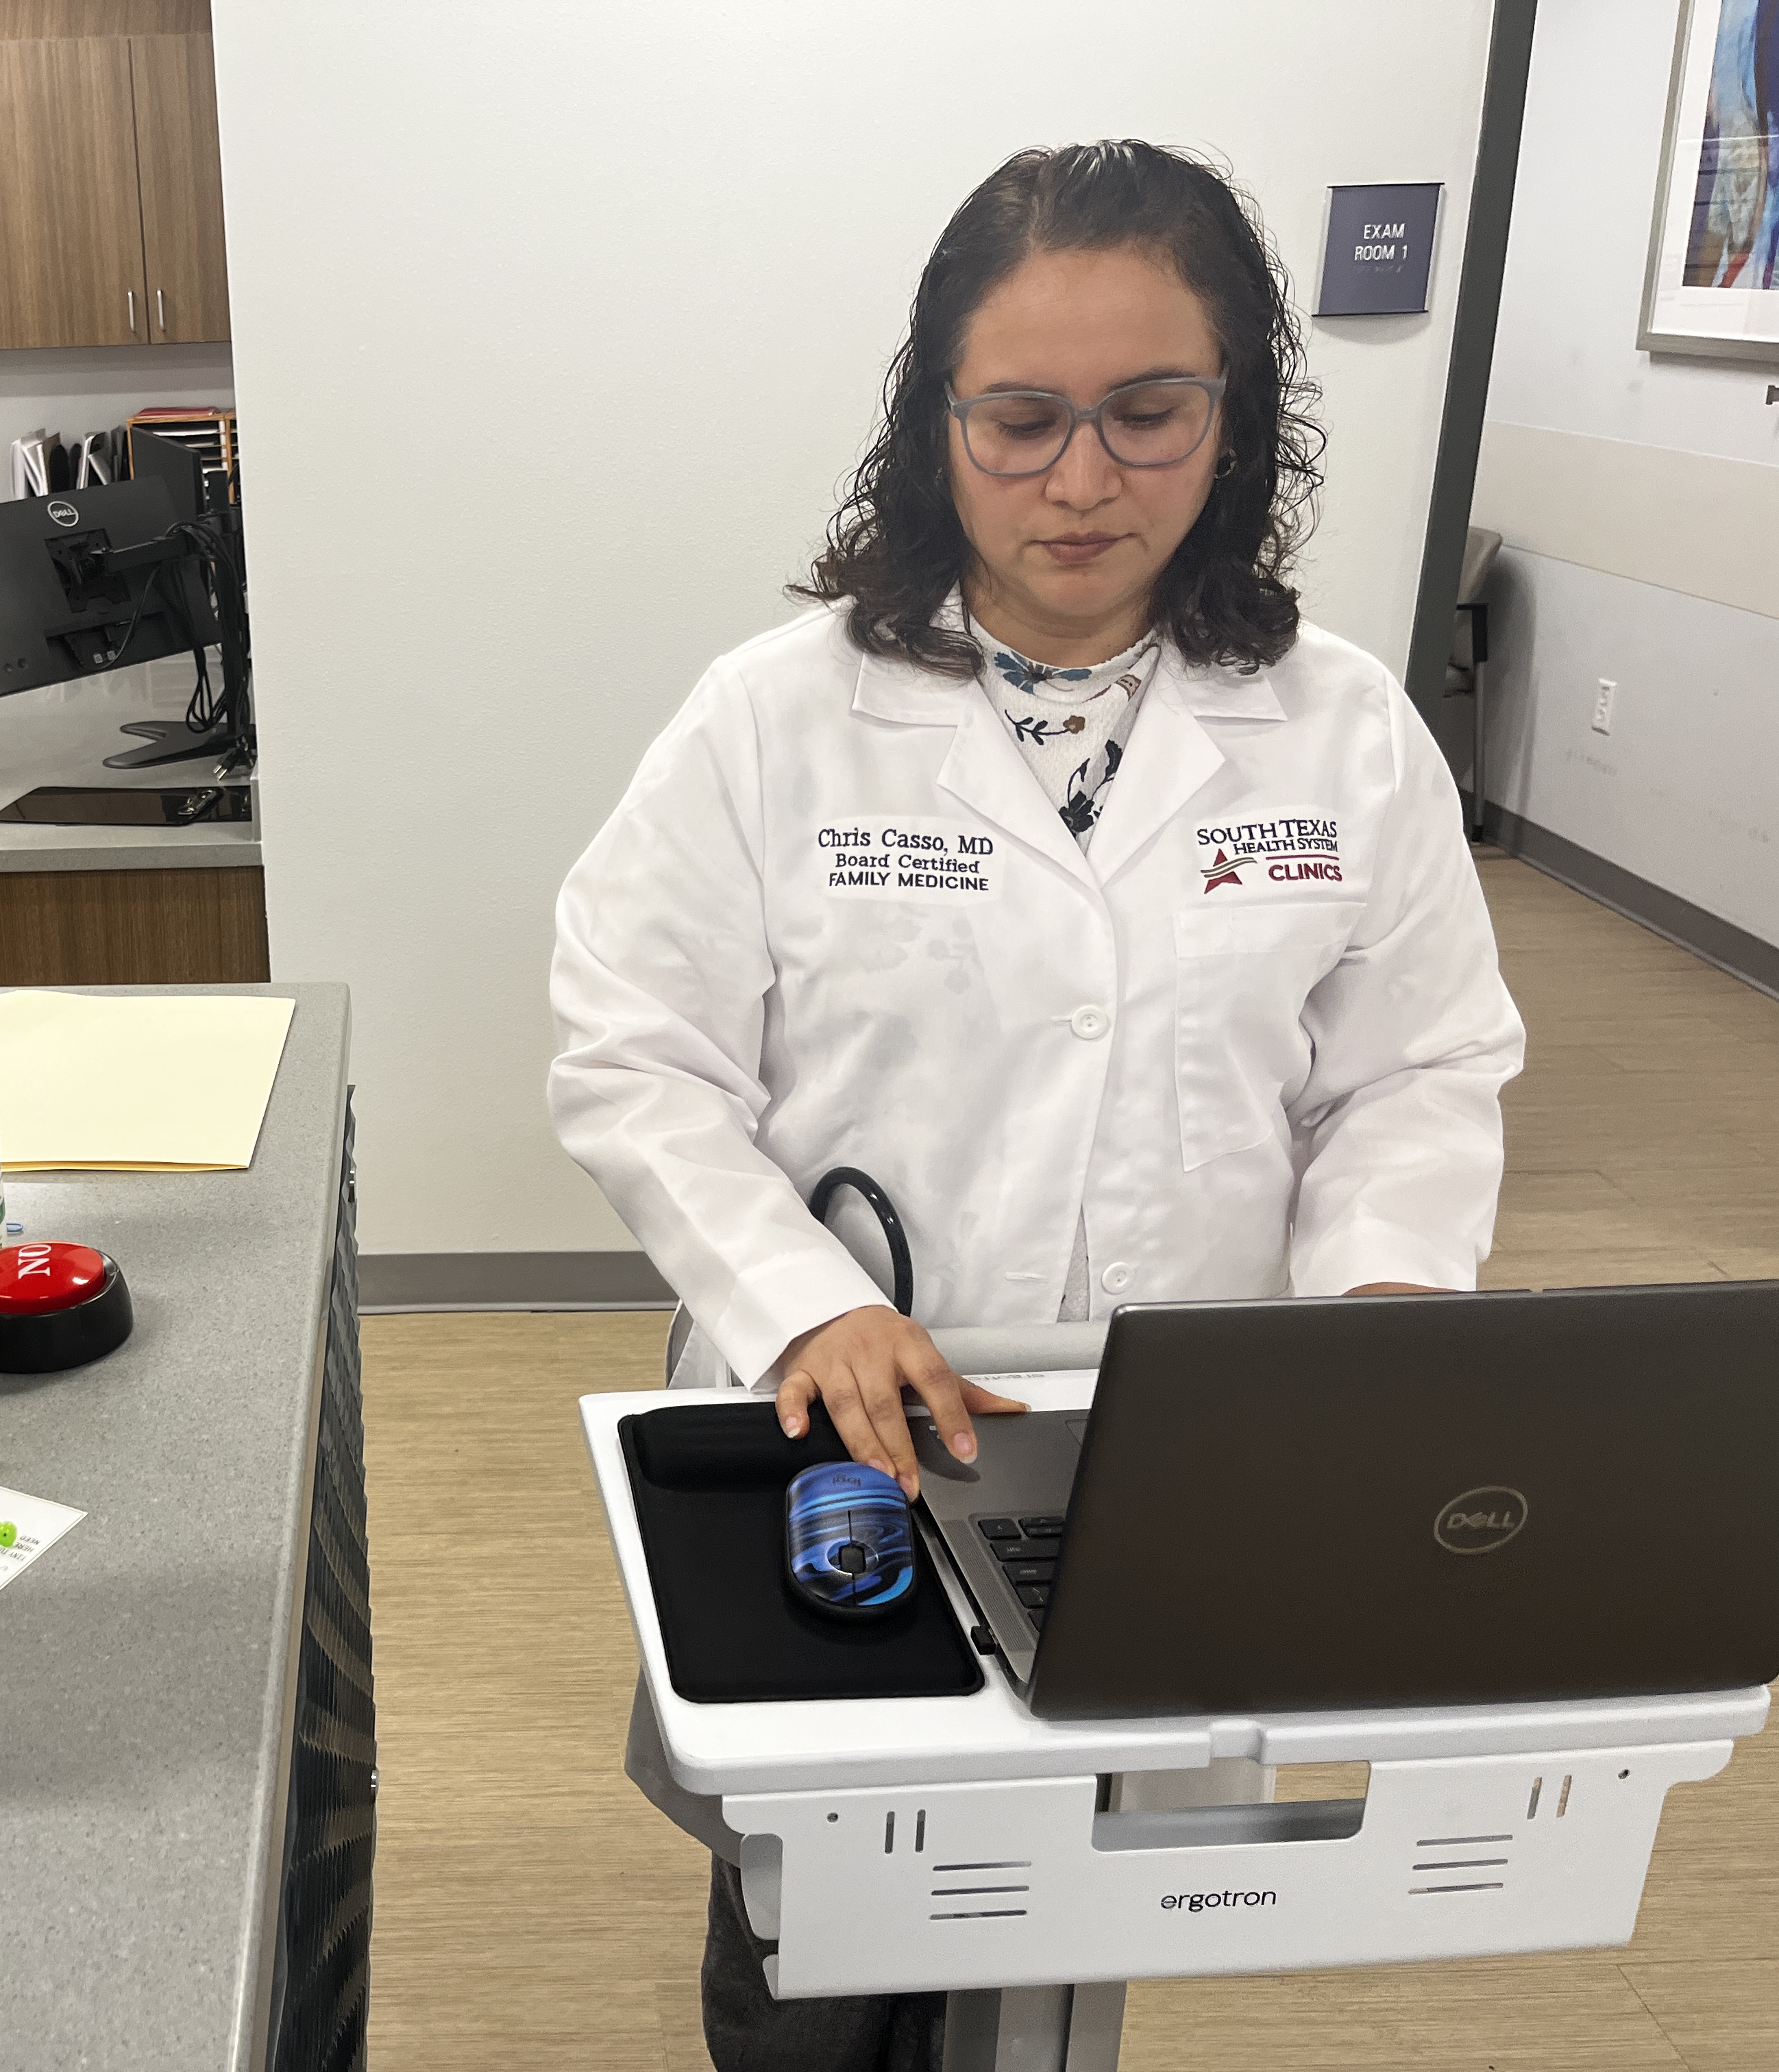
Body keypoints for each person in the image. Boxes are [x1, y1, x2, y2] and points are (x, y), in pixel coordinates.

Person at [546, 140, 1525, 2072]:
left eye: (1149, 413)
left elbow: (1419, 1066)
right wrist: (798, 1297)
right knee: (822, 1900)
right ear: (939, 424)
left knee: (1089, 1877)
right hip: (847, 1399)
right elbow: (632, 1046)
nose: (1084, 481)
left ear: (1232, 419)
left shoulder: (1339, 726)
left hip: (1187, 1420)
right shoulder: (778, 713)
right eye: (1023, 419)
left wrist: (1386, 1308)